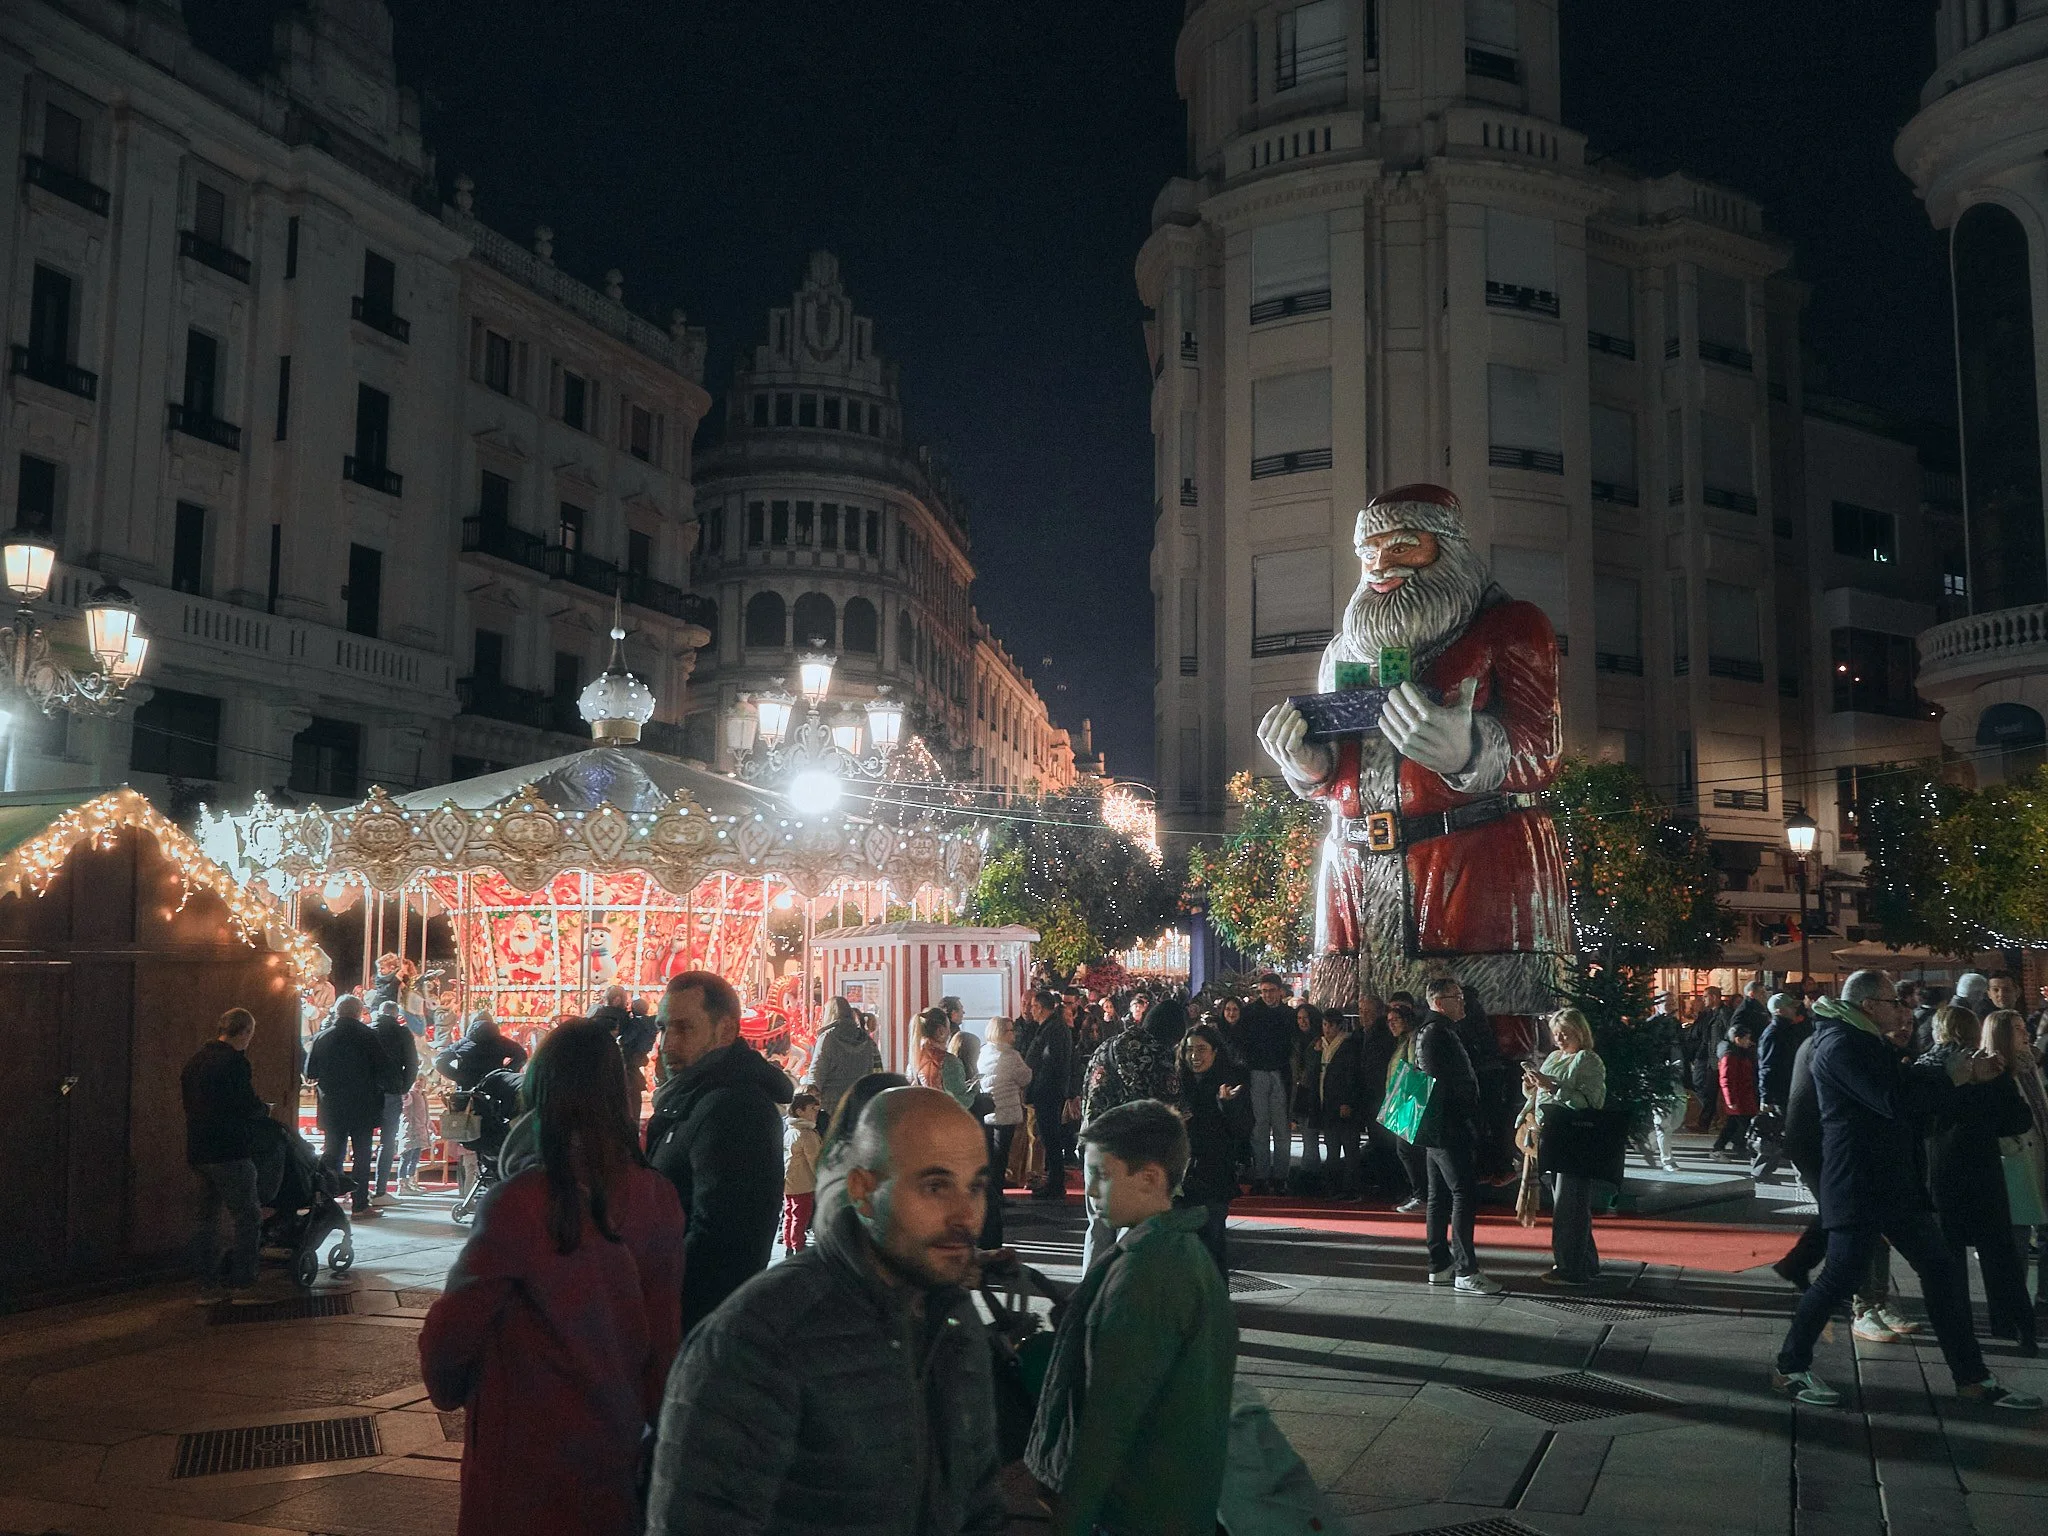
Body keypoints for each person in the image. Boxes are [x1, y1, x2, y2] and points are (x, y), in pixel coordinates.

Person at [645, 1087, 1005, 1535]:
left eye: (976, 1187)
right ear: (864, 1191)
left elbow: (979, 1503)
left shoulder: (951, 1318)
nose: (965, 1214)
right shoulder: (759, 1339)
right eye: (935, 1186)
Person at [420, 1020, 685, 1536]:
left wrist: (454, 1387)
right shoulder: (657, 1198)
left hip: (521, 1455)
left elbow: (451, 1335)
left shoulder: (519, 1203)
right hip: (613, 1452)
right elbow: (663, 1344)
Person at [1770, 972, 2040, 1411]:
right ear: (1869, 1004)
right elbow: (1892, 1101)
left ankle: (1972, 1377)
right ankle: (1789, 1366)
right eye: (1894, 1001)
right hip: (1860, 1181)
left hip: (1893, 1182)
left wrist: (1966, 1076)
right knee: (1840, 1275)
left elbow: (1906, 1095)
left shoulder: (1863, 1040)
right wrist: (1955, 1074)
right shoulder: (1838, 1044)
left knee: (1939, 1272)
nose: (1903, 1010)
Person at [1024, 1099, 1237, 1536]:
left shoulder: (1147, 1273)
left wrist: (1071, 1520)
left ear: (1150, 1179)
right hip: (1176, 1501)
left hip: (1137, 1511)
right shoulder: (1184, 1253)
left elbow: (1106, 1421)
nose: (1087, 1190)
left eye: (1101, 1175)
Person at [643, 969, 793, 1334]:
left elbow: (722, 1243)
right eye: (663, 1028)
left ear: (725, 1031)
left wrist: (654, 1304)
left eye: (684, 1028)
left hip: (697, 1326)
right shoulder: (691, 1099)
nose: (666, 1043)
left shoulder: (734, 1109)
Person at [1921, 1009, 2036, 1354]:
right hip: (1984, 1169)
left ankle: (1960, 1329)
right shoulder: (1990, 1068)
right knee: (2000, 1253)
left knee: (1949, 1255)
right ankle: (2017, 1325)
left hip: (1941, 1172)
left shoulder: (1927, 1069)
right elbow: (2016, 1120)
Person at [1080, 996, 1187, 1270]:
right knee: (1132, 1223)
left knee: (1098, 1224)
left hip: (1095, 1141)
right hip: (1133, 1150)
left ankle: (1089, 1292)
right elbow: (1168, 1109)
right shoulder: (1159, 1056)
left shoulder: (1108, 1045)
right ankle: (1121, 1281)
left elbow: (1087, 1092)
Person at [182, 1007, 274, 1303]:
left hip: (199, 1149)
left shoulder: (195, 1061)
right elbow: (245, 1105)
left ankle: (206, 1286)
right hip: (230, 1150)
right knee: (247, 1216)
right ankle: (242, 1283)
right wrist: (265, 1111)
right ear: (245, 1031)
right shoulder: (234, 1063)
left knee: (205, 1220)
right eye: (251, 1034)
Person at [1413, 991, 1502, 1292]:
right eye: (1456, 997)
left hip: (1436, 1126)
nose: (1462, 1002)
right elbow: (1449, 1083)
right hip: (1448, 1127)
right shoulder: (1439, 1032)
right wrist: (1470, 1115)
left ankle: (1439, 1264)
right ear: (1439, 1001)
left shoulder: (1430, 1029)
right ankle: (1466, 1270)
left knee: (1438, 1196)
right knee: (1463, 1193)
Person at [1523, 1008, 1607, 1285]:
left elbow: (1592, 1103)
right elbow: (1542, 1093)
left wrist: (1553, 1088)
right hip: (1553, 1137)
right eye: (1556, 1033)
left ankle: (1571, 1269)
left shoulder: (1587, 1060)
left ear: (1579, 1032)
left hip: (1575, 1139)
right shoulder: (1554, 1057)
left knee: (1569, 1207)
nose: (1559, 1038)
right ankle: (1585, 1263)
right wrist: (1532, 1087)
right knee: (1569, 1205)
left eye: (1565, 1033)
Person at [305, 996, 390, 1215]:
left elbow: (310, 1072)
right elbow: (384, 1069)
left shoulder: (322, 1037)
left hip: (332, 1105)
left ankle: (328, 1202)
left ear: (337, 1012)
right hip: (363, 1105)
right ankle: (360, 1204)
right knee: (362, 1155)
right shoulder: (369, 1036)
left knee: (333, 1153)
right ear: (359, 1012)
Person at [1176, 1024, 1250, 1270]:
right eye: (1189, 1050)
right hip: (1181, 1174)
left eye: (1201, 1049)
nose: (1195, 1056)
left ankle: (1216, 1300)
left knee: (1212, 1241)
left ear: (1215, 1051)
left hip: (1214, 1172)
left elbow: (1243, 1128)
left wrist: (1226, 1104)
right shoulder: (1177, 1083)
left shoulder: (1231, 1081)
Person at [1237, 974, 1297, 1194]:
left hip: (1280, 1073)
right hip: (1258, 1072)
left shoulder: (1288, 1015)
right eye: (1264, 991)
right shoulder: (1251, 1013)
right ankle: (1262, 1175)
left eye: (1271, 991)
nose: (1268, 995)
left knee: (1281, 1127)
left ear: (1280, 991)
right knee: (1259, 1127)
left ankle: (1281, 1176)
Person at [980, 1015, 1032, 1248]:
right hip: (1006, 1111)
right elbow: (1025, 1077)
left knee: (990, 1156)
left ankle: (992, 1195)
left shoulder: (983, 1053)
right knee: (1001, 1157)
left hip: (988, 1110)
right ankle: (996, 1197)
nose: (1014, 1034)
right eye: (1010, 1030)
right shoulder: (1011, 1056)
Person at [1304, 1009, 1367, 1199]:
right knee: (1331, 1148)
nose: (1327, 1029)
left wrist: (1347, 1101)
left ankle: (1352, 1188)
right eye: (1324, 1025)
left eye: (1331, 1025)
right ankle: (1334, 1187)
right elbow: (1310, 1070)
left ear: (1339, 1026)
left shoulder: (1349, 1045)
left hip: (1342, 1103)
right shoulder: (1319, 1046)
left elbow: (1353, 1076)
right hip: (1326, 1103)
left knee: (1350, 1148)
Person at [1022, 987, 1075, 1199]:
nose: (1031, 1010)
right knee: (1048, 1136)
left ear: (1042, 1008)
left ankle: (1055, 1183)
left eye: (1034, 1006)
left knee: (1050, 1137)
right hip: (1048, 1089)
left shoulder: (1053, 1029)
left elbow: (1051, 1060)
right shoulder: (1050, 1028)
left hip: (1048, 1091)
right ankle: (1054, 1180)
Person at [808, 995, 882, 1140]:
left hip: (830, 1108)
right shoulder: (865, 1038)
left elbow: (816, 1074)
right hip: (857, 1105)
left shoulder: (828, 1038)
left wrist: (808, 1100)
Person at [1383, 999, 1430, 1212]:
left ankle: (1422, 1195)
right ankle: (1420, 1194)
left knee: (1407, 1150)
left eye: (1395, 1020)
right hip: (1402, 1102)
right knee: (1407, 1151)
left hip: (1409, 1102)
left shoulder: (1412, 1041)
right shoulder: (1404, 1041)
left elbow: (1414, 1072)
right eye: (1389, 1021)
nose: (1391, 1025)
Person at [371, 1000, 419, 1204]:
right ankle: (380, 1190)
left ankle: (359, 1190)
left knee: (363, 1139)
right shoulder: (402, 1033)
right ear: (395, 1014)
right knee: (387, 1140)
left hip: (369, 1091)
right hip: (392, 1090)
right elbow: (412, 1063)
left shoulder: (368, 1031)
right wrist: (404, 1087)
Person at [436, 1009, 529, 1090]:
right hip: (495, 1085)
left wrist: (459, 1076)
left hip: (467, 1088)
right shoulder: (503, 1042)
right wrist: (507, 1071)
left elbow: (440, 1061)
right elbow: (521, 1055)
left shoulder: (463, 1043)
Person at [1712, 1019, 1760, 1163]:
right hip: (1739, 1099)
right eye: (1746, 1038)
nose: (1749, 1041)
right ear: (1737, 1039)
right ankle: (1749, 1152)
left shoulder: (1739, 1052)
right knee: (1746, 1125)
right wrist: (1730, 1100)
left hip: (1743, 1097)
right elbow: (1726, 1079)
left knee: (1732, 1125)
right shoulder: (1730, 1055)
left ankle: (1718, 1149)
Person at [782, 1089, 822, 1254]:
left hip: (790, 1181)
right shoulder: (806, 1134)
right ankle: (798, 1245)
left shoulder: (790, 1131)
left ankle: (789, 1243)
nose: (816, 1113)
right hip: (803, 1183)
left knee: (789, 1213)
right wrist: (821, 1178)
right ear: (800, 1111)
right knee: (801, 1215)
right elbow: (815, 1160)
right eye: (812, 1109)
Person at [913, 1006, 976, 1111]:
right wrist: (974, 1090)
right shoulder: (949, 1062)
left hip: (921, 1117)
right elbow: (959, 1102)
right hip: (944, 1119)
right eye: (948, 1027)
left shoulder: (914, 1059)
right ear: (940, 1031)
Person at [1682, 985, 1726, 1130]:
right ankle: (1705, 1122)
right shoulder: (1711, 1014)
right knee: (1710, 1091)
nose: (1703, 999)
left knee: (1714, 1091)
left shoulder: (1722, 1013)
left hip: (1718, 1059)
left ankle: (1717, 1121)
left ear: (1713, 997)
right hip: (1713, 1059)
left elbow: (1726, 1034)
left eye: (1705, 996)